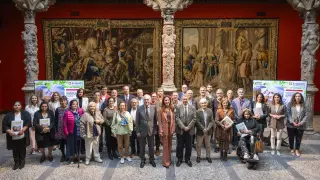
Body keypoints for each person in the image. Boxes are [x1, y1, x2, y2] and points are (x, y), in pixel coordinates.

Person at [2, 101, 31, 170]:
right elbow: (4, 124)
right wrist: (9, 131)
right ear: (13, 106)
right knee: (14, 149)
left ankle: (22, 161)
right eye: (15, 105)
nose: (17, 106)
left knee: (22, 148)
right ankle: (16, 162)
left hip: (22, 134)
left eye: (18, 105)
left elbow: (28, 122)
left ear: (21, 106)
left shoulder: (25, 114)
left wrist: (23, 130)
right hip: (12, 135)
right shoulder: (8, 115)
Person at [136, 94, 158, 168]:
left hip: (151, 131)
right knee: (142, 146)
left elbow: (155, 120)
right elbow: (137, 121)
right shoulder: (139, 108)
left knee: (151, 146)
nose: (146, 101)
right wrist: (138, 131)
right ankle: (142, 160)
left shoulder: (153, 107)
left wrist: (155, 130)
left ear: (150, 100)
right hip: (142, 131)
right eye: (145, 99)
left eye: (147, 99)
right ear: (143, 100)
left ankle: (152, 159)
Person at [175, 95, 196, 167]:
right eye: (183, 99)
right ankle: (179, 159)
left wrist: (188, 127)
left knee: (189, 146)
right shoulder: (178, 107)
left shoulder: (192, 107)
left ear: (188, 99)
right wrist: (183, 127)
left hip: (190, 130)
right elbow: (177, 118)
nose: (185, 100)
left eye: (186, 99)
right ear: (181, 100)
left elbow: (194, 118)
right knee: (180, 145)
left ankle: (188, 159)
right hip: (180, 130)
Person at [63, 100, 84, 164]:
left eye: (76, 104)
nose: (75, 105)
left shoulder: (80, 112)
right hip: (71, 132)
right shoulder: (67, 113)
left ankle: (78, 157)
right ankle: (72, 158)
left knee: (78, 145)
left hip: (79, 131)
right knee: (71, 145)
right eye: (73, 104)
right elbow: (64, 124)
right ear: (70, 105)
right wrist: (66, 132)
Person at [287, 92, 308, 157]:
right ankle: (291, 149)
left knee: (299, 138)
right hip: (291, 124)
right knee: (291, 137)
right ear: (294, 97)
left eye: (299, 96)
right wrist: (292, 122)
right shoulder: (290, 104)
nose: (297, 97)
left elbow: (306, 115)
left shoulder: (304, 105)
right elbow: (288, 114)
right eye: (296, 96)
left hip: (300, 125)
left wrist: (301, 123)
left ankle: (297, 149)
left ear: (301, 97)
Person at [195, 98, 214, 163]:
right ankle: (198, 156)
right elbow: (197, 121)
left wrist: (207, 128)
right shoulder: (197, 111)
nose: (204, 104)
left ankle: (208, 156)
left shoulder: (210, 111)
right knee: (199, 145)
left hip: (208, 131)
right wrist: (203, 129)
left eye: (205, 103)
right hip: (200, 131)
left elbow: (212, 121)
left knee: (208, 145)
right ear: (200, 104)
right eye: (202, 103)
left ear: (207, 103)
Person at [158, 96, 175, 168]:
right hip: (164, 130)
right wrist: (161, 130)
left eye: (168, 100)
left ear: (170, 101)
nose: (167, 101)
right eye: (165, 100)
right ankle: (165, 162)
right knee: (165, 146)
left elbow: (174, 120)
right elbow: (159, 121)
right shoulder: (160, 110)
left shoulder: (172, 108)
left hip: (170, 130)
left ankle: (169, 159)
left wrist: (173, 129)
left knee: (170, 146)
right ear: (163, 101)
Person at [54, 96, 69, 162]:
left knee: (68, 143)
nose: (63, 102)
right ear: (60, 102)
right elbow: (55, 120)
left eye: (64, 100)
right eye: (61, 101)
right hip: (60, 129)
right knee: (61, 143)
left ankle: (68, 155)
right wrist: (56, 129)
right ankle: (63, 155)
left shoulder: (69, 108)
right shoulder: (58, 109)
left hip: (68, 129)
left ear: (66, 101)